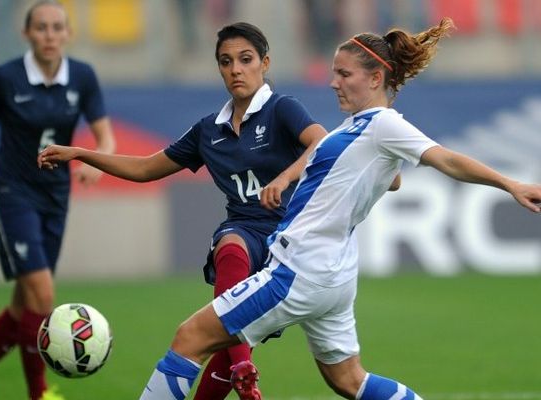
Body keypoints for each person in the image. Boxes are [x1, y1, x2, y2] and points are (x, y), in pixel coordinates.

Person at [75, 17, 539, 400]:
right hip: (334, 274)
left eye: (343, 74)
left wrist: (509, 184)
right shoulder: (358, 130)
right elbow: (384, 175)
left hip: (301, 269)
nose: (333, 81)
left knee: (189, 338)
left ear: (375, 78)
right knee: (348, 380)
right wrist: (329, 176)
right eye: (334, 72)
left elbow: (447, 159)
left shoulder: (384, 124)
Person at [38, 22, 328, 400]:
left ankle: (237, 362)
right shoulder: (209, 130)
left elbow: (322, 144)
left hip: (289, 242)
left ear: (265, 63)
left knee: (224, 347)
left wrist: (285, 177)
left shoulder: (282, 109)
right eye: (226, 62)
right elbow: (145, 168)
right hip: (245, 231)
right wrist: (81, 152)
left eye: (245, 59)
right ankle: (244, 366)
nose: (236, 69)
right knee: (230, 246)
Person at [0, 2, 115, 400]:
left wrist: (99, 161)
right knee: (42, 294)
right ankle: (38, 393)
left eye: (57, 28)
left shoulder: (83, 77)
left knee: (25, 309)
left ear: (68, 33)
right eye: (41, 28)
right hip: (9, 193)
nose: (50, 35)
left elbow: (105, 136)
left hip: (55, 197)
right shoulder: (6, 77)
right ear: (27, 34)